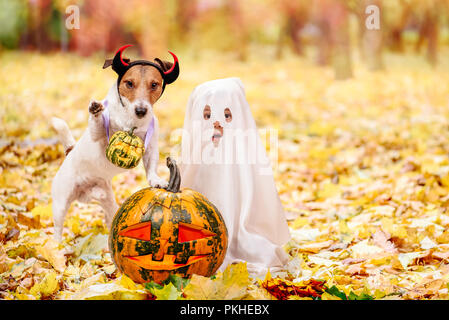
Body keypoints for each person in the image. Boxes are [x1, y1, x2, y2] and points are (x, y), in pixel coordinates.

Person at [180, 77, 291, 275]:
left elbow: (252, 191)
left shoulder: (242, 155)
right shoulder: (198, 153)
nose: (217, 122)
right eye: (207, 116)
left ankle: (236, 239)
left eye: (227, 115)